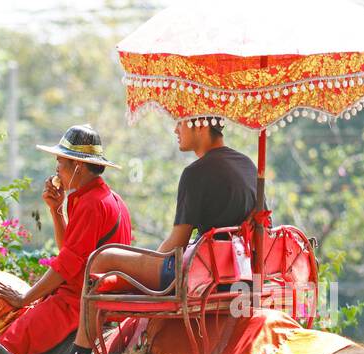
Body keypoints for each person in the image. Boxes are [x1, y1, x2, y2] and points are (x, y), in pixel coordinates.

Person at [0, 125, 133, 354]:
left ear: (78, 166)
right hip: (88, 294)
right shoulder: (105, 199)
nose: (57, 170)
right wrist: (56, 210)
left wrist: (24, 298)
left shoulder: (90, 204)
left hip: (77, 301)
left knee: (8, 346)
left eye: (61, 163)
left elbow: (68, 265)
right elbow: (72, 251)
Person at [87, 116, 257, 295]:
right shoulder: (247, 164)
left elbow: (177, 243)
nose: (176, 130)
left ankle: (84, 324)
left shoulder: (195, 173)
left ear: (200, 125)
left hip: (201, 275)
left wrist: (152, 262)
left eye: (180, 122)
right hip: (238, 271)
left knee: (102, 257)